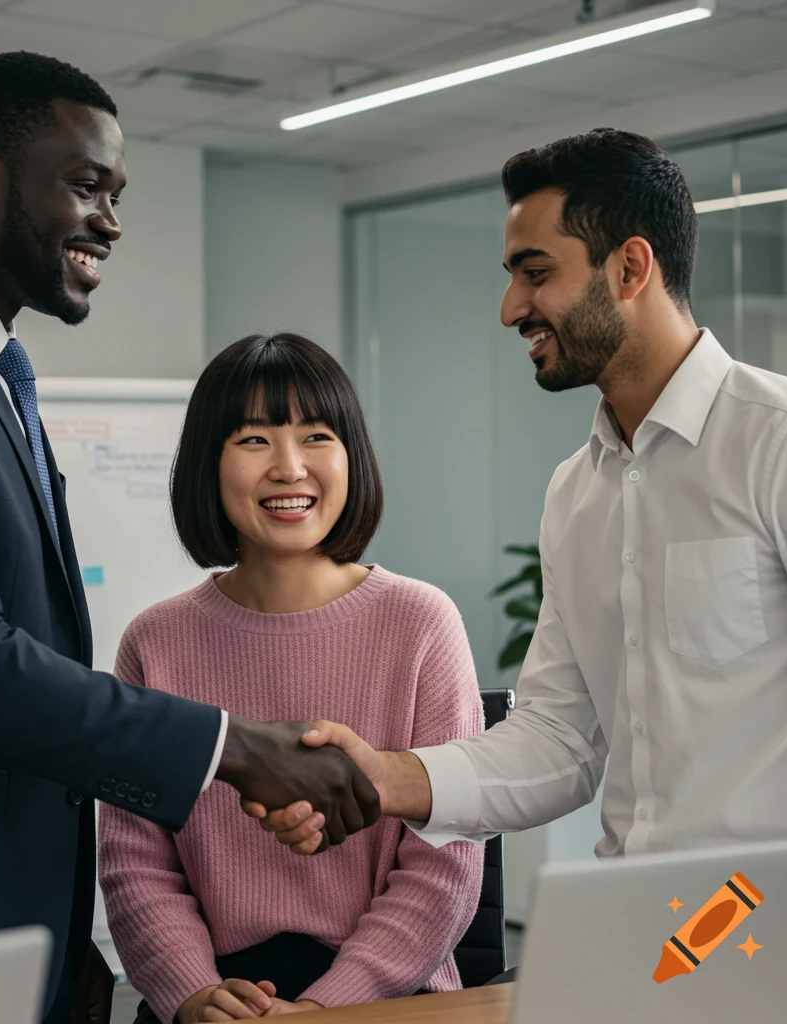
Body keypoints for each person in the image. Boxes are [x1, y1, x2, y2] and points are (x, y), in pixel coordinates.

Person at [0, 52, 377, 1024]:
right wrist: (231, 748)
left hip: (0, 916)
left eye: (118, 191)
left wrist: (66, 938)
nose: (111, 219)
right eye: (85, 185)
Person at [249, 129, 787, 876]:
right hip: (636, 924)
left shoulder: (784, 443)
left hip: (770, 935)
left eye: (535, 274)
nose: (513, 308)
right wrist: (384, 778)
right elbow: (560, 740)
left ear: (631, 267)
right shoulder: (578, 492)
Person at [98, 333, 485, 1024]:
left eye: (316, 436)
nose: (289, 467)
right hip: (216, 998)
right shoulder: (154, 643)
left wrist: (326, 1008)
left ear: (351, 457)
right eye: (253, 441)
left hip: (384, 998)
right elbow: (135, 863)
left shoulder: (422, 622)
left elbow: (444, 866)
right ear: (208, 465)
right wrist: (191, 991)